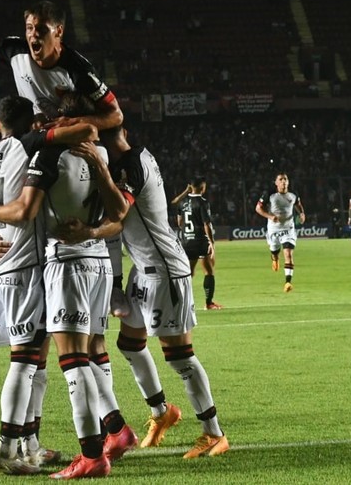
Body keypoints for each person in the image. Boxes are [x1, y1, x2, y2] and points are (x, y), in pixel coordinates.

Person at [0, 94, 135, 480]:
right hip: (100, 260)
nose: (42, 126)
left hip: (63, 264)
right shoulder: (101, 154)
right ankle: (112, 431)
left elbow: (24, 210)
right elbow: (119, 215)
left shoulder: (47, 155)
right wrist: (92, 229)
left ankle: (89, 454)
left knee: (63, 361)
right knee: (88, 353)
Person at [58, 122, 230, 460]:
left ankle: (214, 433)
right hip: (144, 268)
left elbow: (119, 215)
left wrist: (89, 228)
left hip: (166, 270)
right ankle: (161, 412)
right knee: (130, 344)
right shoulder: (135, 159)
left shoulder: (131, 166)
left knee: (179, 355)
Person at [0, 0, 123, 130]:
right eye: (29, 28)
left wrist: (73, 122)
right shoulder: (16, 50)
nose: (34, 35)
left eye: (41, 29)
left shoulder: (78, 70)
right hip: (34, 136)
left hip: (71, 140)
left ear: (59, 31)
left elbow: (115, 115)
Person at [174, 177, 221, 310]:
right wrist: (211, 242)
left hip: (186, 242)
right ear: (202, 187)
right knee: (209, 271)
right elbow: (207, 224)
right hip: (200, 241)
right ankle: (209, 303)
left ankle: (181, 302)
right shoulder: (202, 202)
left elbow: (179, 222)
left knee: (189, 273)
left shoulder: (182, 202)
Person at [255, 172, 306, 293]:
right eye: (281, 179)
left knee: (288, 254)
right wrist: (270, 216)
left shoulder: (293, 193)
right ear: (276, 182)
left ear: (288, 182)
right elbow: (258, 208)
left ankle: (288, 282)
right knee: (274, 250)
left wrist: (302, 213)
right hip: (273, 229)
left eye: (285, 179)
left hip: (288, 228)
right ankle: (274, 257)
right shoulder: (269, 194)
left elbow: (298, 204)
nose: (283, 181)